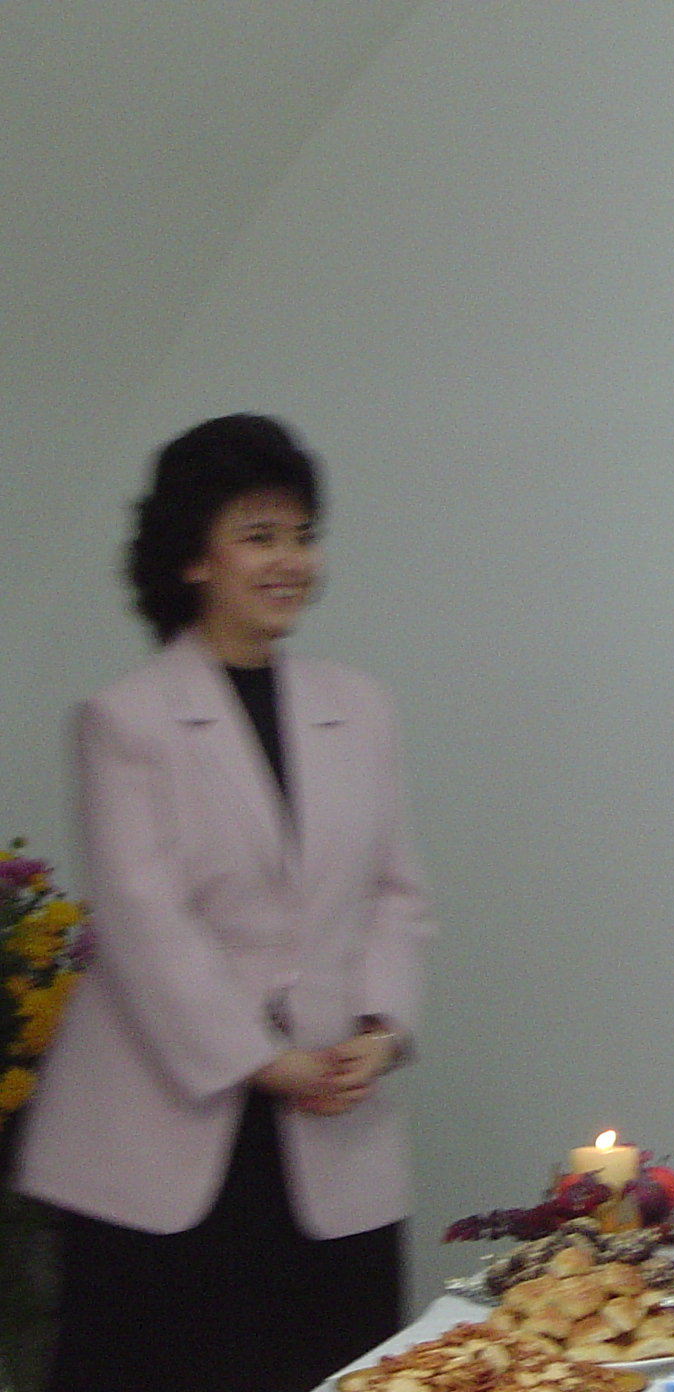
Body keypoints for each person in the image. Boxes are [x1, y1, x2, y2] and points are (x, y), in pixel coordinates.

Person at [12, 414, 434, 1392]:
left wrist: (380, 1027)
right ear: (193, 558)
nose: (290, 561)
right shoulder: (126, 719)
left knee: (338, 1367)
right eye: (259, 536)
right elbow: (145, 924)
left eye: (302, 536)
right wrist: (263, 1061)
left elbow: (398, 894)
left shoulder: (360, 707)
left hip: (333, 1125)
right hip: (162, 1143)